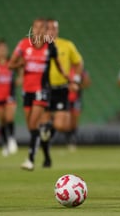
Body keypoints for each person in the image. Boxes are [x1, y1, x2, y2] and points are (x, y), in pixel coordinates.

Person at [8, 18, 68, 171]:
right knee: (31, 126)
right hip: (27, 91)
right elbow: (10, 64)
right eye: (37, 27)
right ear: (32, 29)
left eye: (43, 28)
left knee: (33, 123)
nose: (39, 30)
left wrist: (68, 78)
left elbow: (58, 64)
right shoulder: (23, 45)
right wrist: (19, 65)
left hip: (42, 90)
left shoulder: (50, 47)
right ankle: (45, 131)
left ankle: (30, 159)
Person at [39, 19, 83, 151]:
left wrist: (75, 80)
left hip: (62, 88)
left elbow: (79, 63)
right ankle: (44, 143)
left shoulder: (67, 45)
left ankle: (49, 130)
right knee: (43, 119)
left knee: (61, 125)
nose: (52, 30)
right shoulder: (39, 46)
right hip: (44, 88)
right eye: (49, 28)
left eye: (54, 28)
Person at [66, 67, 91, 151]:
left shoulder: (80, 69)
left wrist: (78, 86)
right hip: (64, 98)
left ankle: (72, 140)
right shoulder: (64, 67)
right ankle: (68, 138)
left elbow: (87, 83)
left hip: (76, 99)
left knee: (74, 120)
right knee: (66, 120)